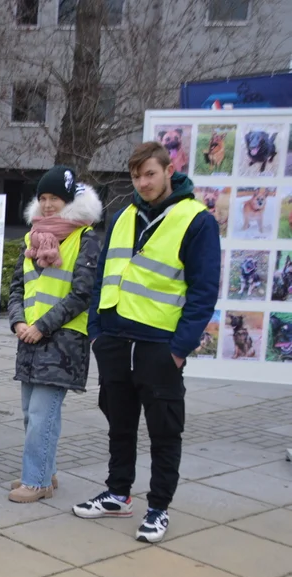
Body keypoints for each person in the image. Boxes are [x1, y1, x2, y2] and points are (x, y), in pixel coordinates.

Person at [73, 141, 220, 543]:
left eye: (150, 173)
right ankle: (118, 493)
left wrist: (178, 350)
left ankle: (158, 507)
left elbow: (204, 291)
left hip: (159, 345)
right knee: (119, 425)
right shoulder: (122, 216)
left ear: (168, 170)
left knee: (164, 431)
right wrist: (98, 332)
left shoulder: (196, 220)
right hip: (115, 340)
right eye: (137, 175)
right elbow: (103, 275)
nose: (143, 182)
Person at [5, 167, 103, 502]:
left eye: (55, 199)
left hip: (62, 342)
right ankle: (45, 470)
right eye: (43, 198)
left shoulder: (85, 238)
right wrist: (18, 322)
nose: (47, 205)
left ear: (69, 201)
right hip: (29, 340)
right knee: (31, 413)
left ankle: (37, 481)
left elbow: (81, 294)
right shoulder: (32, 238)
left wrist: (41, 326)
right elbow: (17, 286)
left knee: (41, 416)